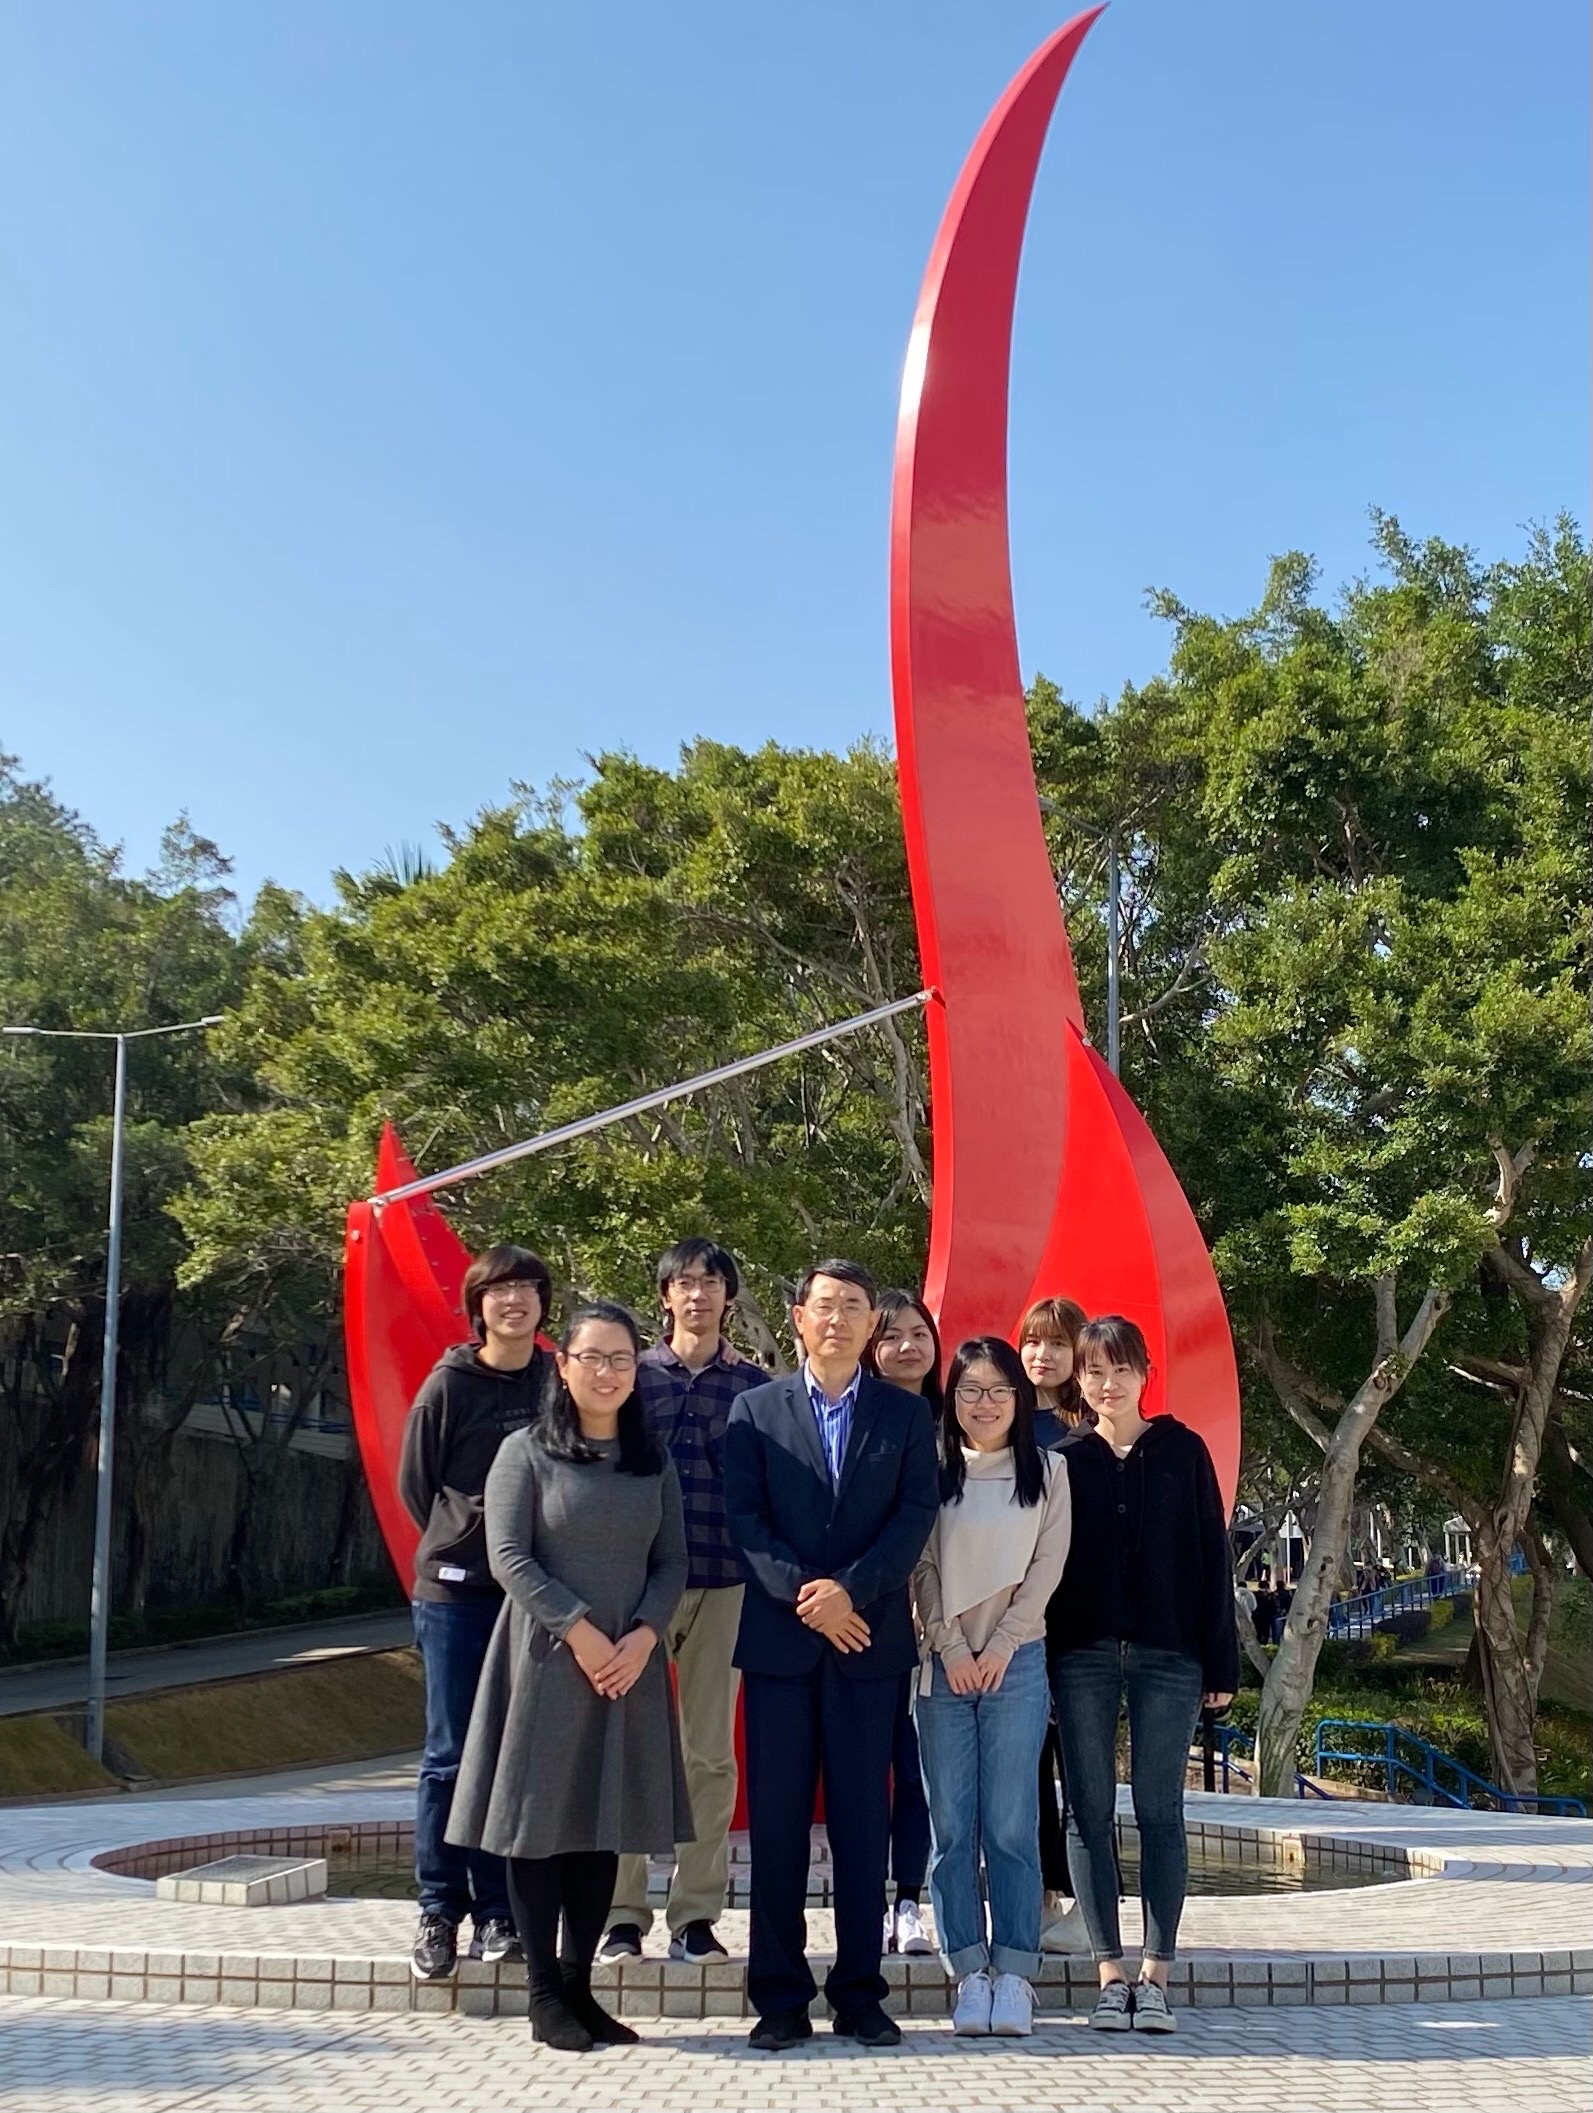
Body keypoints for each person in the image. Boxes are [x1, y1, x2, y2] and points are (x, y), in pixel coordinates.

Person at [447, 1302, 692, 2052]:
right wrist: (583, 1631)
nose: (608, 1372)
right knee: (537, 1826)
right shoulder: (526, 1451)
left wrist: (644, 1634)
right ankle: (543, 1994)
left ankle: (581, 1985)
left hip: (629, 1666)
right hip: (546, 1662)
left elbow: (672, 1561)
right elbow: (509, 1557)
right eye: (593, 1357)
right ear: (565, 1364)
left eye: (622, 1359)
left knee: (599, 1826)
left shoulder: (652, 1460)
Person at [723, 1259, 939, 2054]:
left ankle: (858, 1992)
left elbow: (913, 1514)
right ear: (797, 1317)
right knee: (776, 1829)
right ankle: (778, 1996)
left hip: (868, 1643)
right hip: (780, 1648)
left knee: (861, 1826)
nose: (839, 1318)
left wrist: (850, 1592)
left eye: (854, 1306)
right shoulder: (753, 1409)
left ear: (869, 1326)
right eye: (825, 1305)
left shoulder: (904, 1416)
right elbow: (743, 1518)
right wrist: (808, 1597)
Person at [1045, 1315, 1237, 2036]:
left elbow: (1210, 1559)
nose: (1106, 1382)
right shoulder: (1064, 1458)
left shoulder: (1182, 1450)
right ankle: (1107, 1974)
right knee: (1086, 1811)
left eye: (1119, 1368)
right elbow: (1045, 1571)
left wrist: (1220, 1660)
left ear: (1144, 1371)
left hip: (1170, 1655)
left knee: (1160, 1811)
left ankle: (1155, 1975)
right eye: (1093, 1370)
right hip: (1081, 1655)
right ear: (1080, 1380)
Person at [604, 1238, 764, 1966]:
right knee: (629, 1747)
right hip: (636, 1588)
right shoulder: (630, 1379)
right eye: (683, 1283)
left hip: (726, 1583)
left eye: (709, 1282)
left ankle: (695, 1916)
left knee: (709, 1755)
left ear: (729, 1295)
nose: (696, 1294)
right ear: (664, 1295)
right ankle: (619, 1914)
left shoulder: (756, 1389)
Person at [398, 1242, 553, 1982]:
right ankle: (438, 1908)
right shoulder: (448, 1384)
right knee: (450, 1754)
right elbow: (415, 1485)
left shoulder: (555, 1378)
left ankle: (499, 1911)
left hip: (529, 1596)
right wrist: (469, 1537)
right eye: (499, 1290)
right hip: (456, 1595)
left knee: (509, 1754)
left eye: (526, 1287)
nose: (513, 1300)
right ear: (478, 1304)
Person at [912, 1336, 1072, 2038]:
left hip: (1018, 1663)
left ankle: (1014, 1971)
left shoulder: (1051, 1472)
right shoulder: (930, 1464)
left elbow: (1046, 1567)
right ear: (951, 1397)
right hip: (941, 1666)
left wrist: (1001, 1643)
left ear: (1020, 1396)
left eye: (998, 1389)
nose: (984, 1403)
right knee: (951, 1827)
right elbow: (917, 1564)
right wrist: (950, 1645)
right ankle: (966, 1969)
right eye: (970, 1389)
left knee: (1011, 1823)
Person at [861, 1290, 940, 1960]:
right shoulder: (854, 1420)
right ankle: (863, 1903)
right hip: (869, 1619)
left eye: (920, 1332)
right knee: (866, 1769)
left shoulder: (958, 1418)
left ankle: (909, 1899)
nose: (908, 1346)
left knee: (916, 1772)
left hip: (943, 1627)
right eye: (892, 1336)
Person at [1016, 1294, 1092, 1953]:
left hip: (1081, 1618)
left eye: (1056, 1343)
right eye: (1032, 1342)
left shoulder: (1092, 1428)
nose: (1043, 1354)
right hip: (1018, 1620)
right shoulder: (999, 1420)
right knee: (1030, 1765)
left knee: (1084, 1766)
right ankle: (1039, 1893)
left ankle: (1089, 1901)